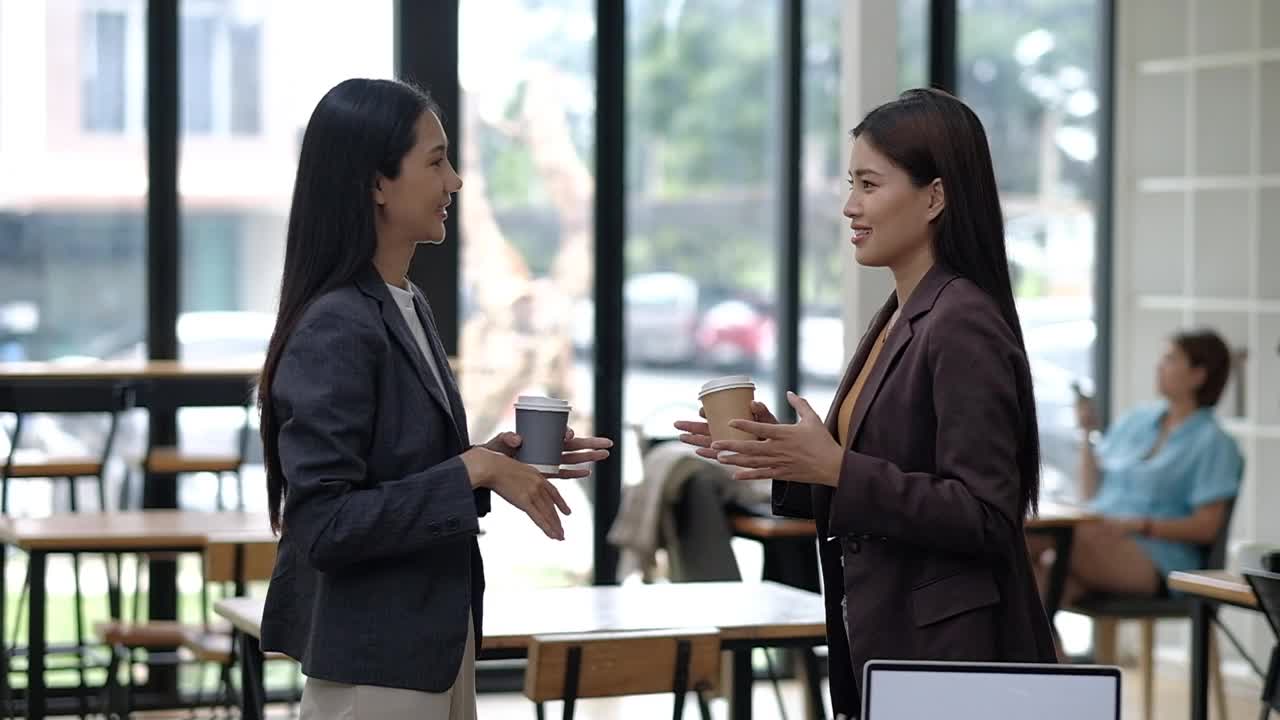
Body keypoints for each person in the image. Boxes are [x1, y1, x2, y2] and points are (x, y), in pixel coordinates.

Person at [676, 88, 1055, 718]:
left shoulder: (960, 320)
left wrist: (836, 468)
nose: (850, 207)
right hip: (889, 646)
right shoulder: (901, 313)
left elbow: (987, 514)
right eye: (850, 184)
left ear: (934, 197)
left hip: (947, 663)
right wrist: (787, 457)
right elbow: (876, 475)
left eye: (870, 185)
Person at [256, 78, 612, 720]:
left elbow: (403, 475)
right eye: (436, 161)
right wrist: (471, 469)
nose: (455, 181)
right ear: (376, 183)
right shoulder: (337, 323)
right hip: (376, 666)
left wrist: (492, 460)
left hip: (434, 648)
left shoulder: (408, 302)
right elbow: (324, 526)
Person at [1031, 329, 1242, 606]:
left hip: (1158, 557)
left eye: (1170, 359)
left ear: (1198, 375)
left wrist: (1141, 526)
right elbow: (1090, 493)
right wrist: (1086, 432)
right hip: (1097, 538)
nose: (1159, 366)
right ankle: (1053, 648)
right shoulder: (1137, 421)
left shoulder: (1214, 442)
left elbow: (1206, 527)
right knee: (1033, 585)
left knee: (1041, 539)